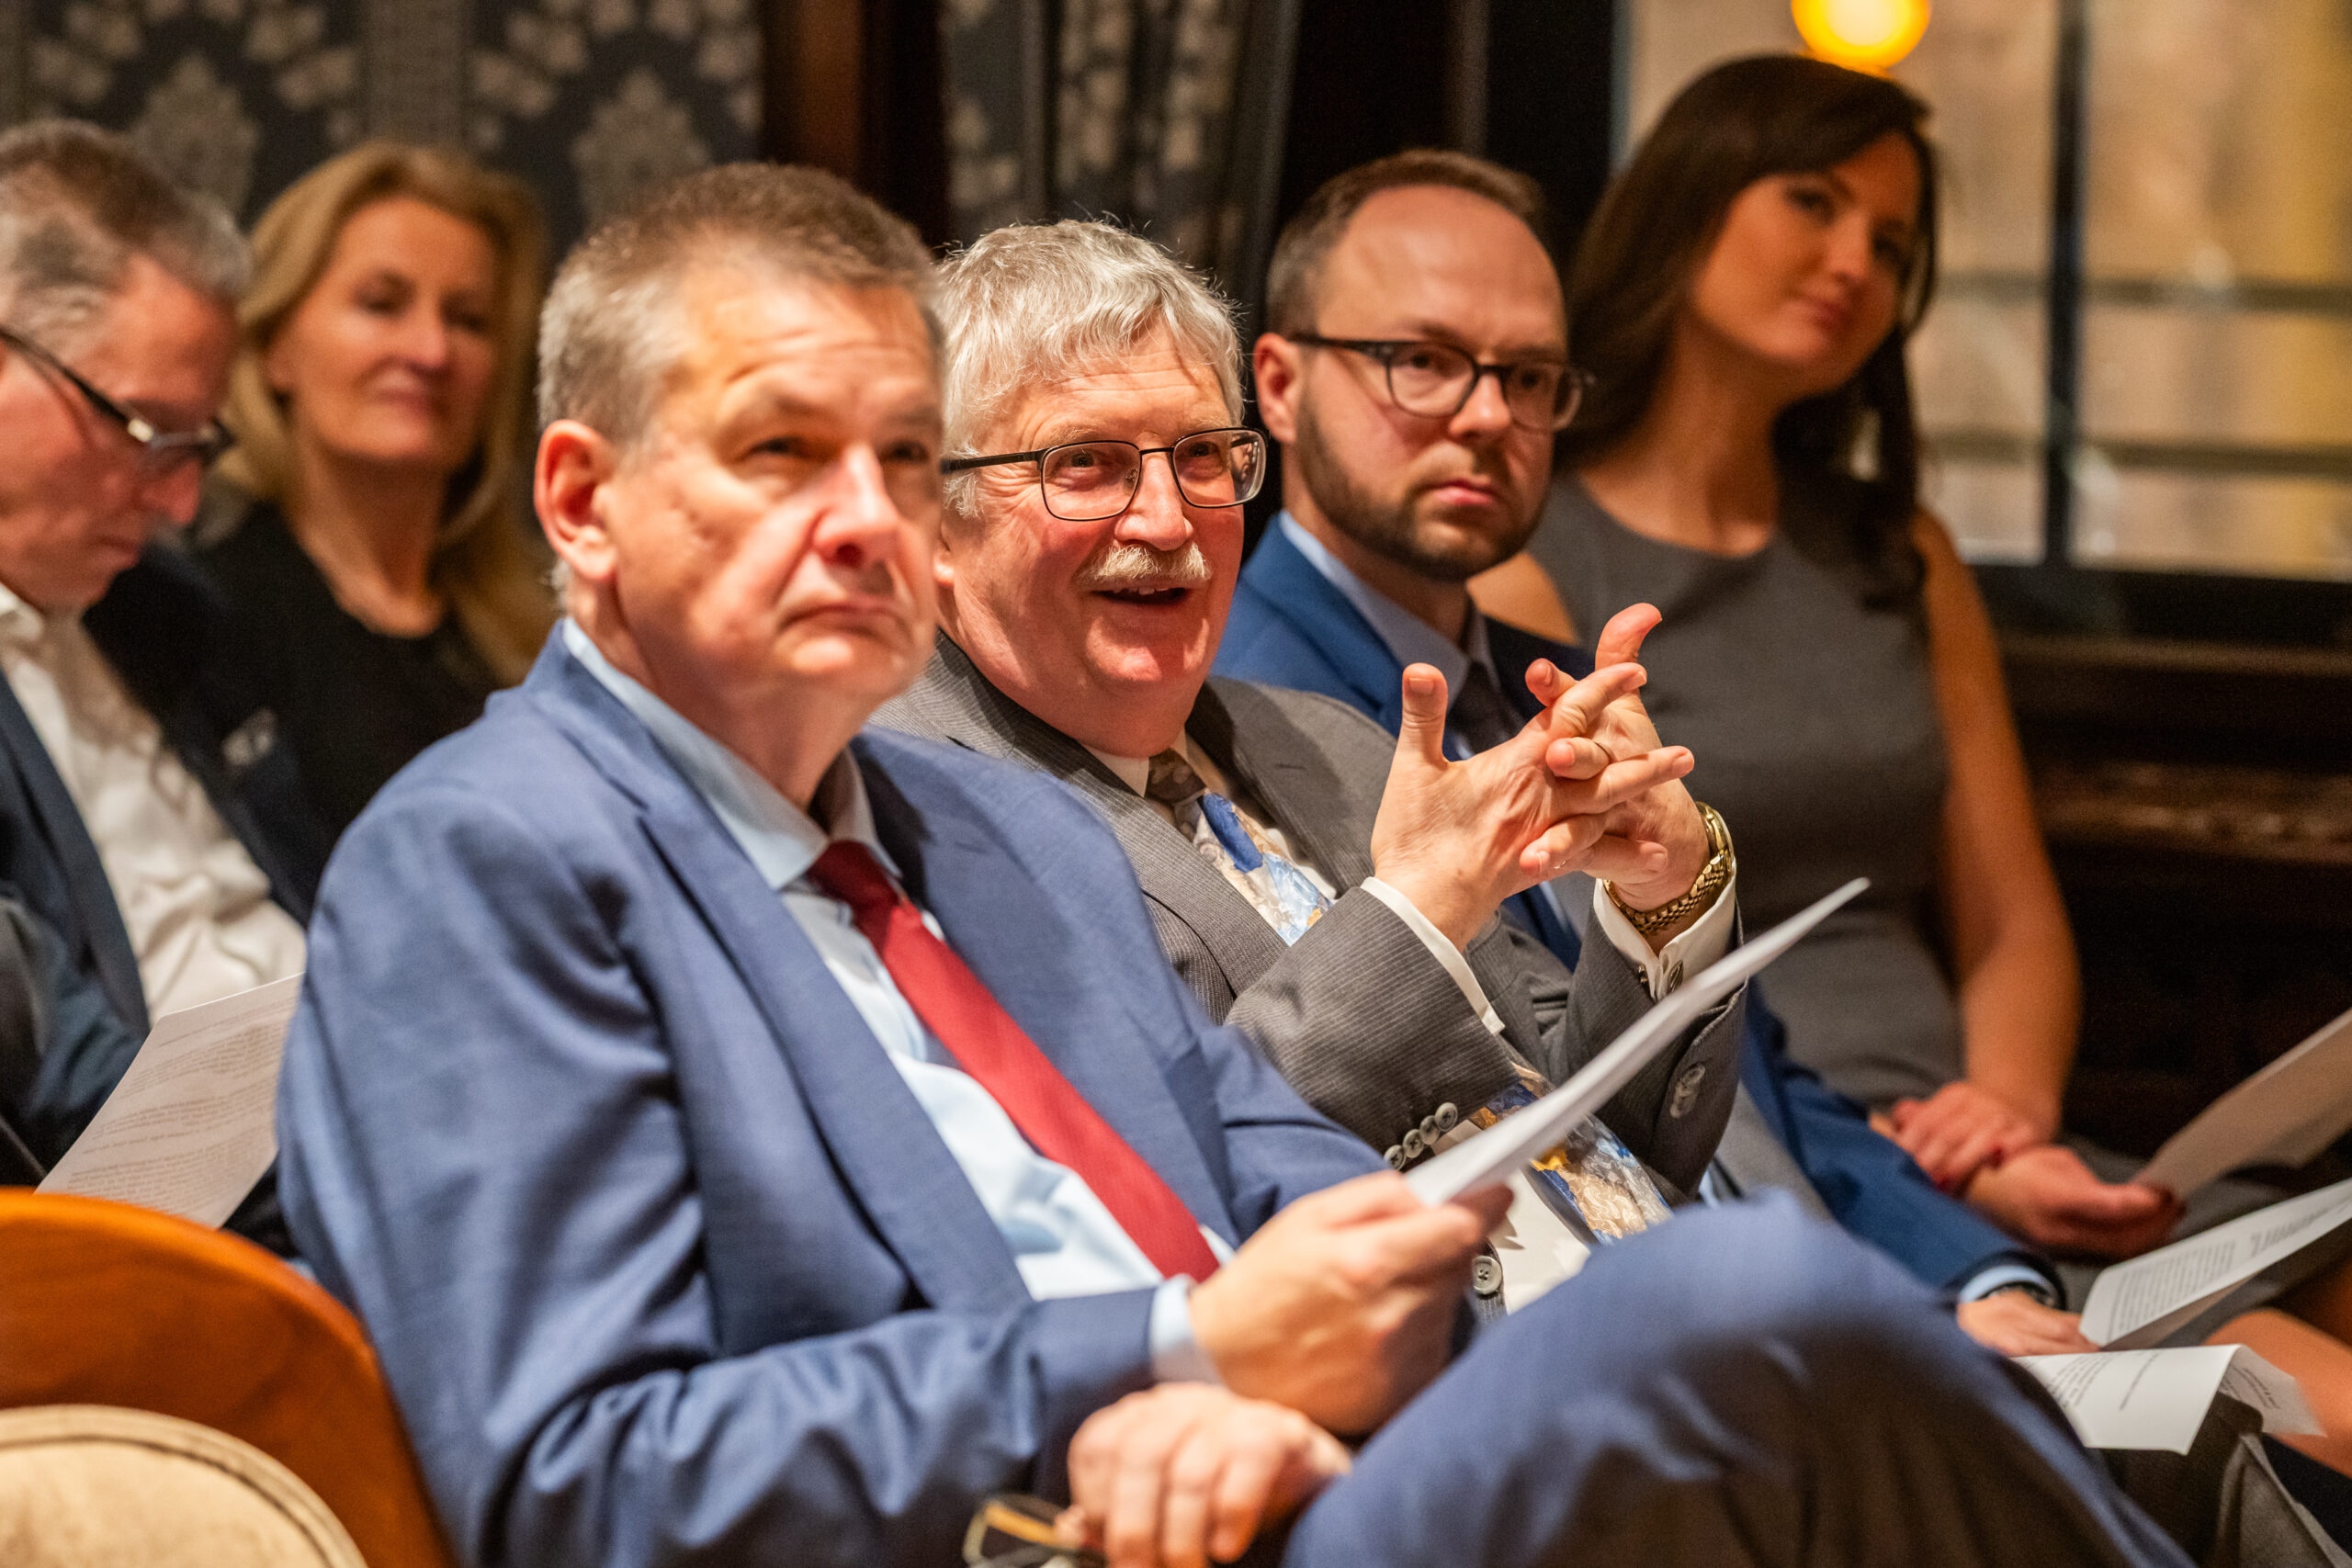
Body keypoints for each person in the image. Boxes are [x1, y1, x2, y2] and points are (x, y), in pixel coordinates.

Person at [274, 162, 2191, 1568]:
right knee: (1736, 1308)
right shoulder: (487, 858)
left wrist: (1286, 1375)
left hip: (1270, 1484)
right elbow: (572, 1477)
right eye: (783, 452)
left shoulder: (999, 832)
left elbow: (1311, 1186)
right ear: (583, 501)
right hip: (1035, 1531)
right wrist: (1160, 1357)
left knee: (1823, 1338)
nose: (866, 521)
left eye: (901, 456)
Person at [1458, 57, 2352, 1472]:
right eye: (1813, 203)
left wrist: (2007, 1118)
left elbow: (2010, 916)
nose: (1853, 264)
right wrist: (1923, 1172)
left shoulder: (1896, 549)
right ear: (1686, 202)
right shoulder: (1531, 562)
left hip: (2002, 1154)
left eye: (1890, 242)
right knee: (2323, 1417)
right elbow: (1584, 954)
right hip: (1796, 1167)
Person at [1216, 147, 2076, 1344]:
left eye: (1527, 376)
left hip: (1817, 1282)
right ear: (1279, 383)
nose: (1486, 415)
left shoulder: (1557, 675)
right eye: (1422, 360)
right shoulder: (1234, 708)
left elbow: (1762, 1081)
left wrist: (1977, 1277)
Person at [876, 218, 1745, 1251]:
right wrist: (1415, 918)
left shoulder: (1329, 740)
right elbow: (1154, 1180)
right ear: (935, 519)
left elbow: (1585, 1123)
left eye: (1202, 455)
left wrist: (1660, 902)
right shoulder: (914, 812)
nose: (1167, 520)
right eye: (1087, 465)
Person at [0, 121, 324, 1241]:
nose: (179, 502)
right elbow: (72, 1103)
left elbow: (323, 904)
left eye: (196, 446)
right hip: (188, 1234)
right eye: (145, 432)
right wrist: (379, 1130)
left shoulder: (166, 610)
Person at [200, 141, 553, 835]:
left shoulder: (555, 633)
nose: (430, 351)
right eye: (382, 304)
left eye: (469, 320)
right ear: (275, 347)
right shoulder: (205, 613)